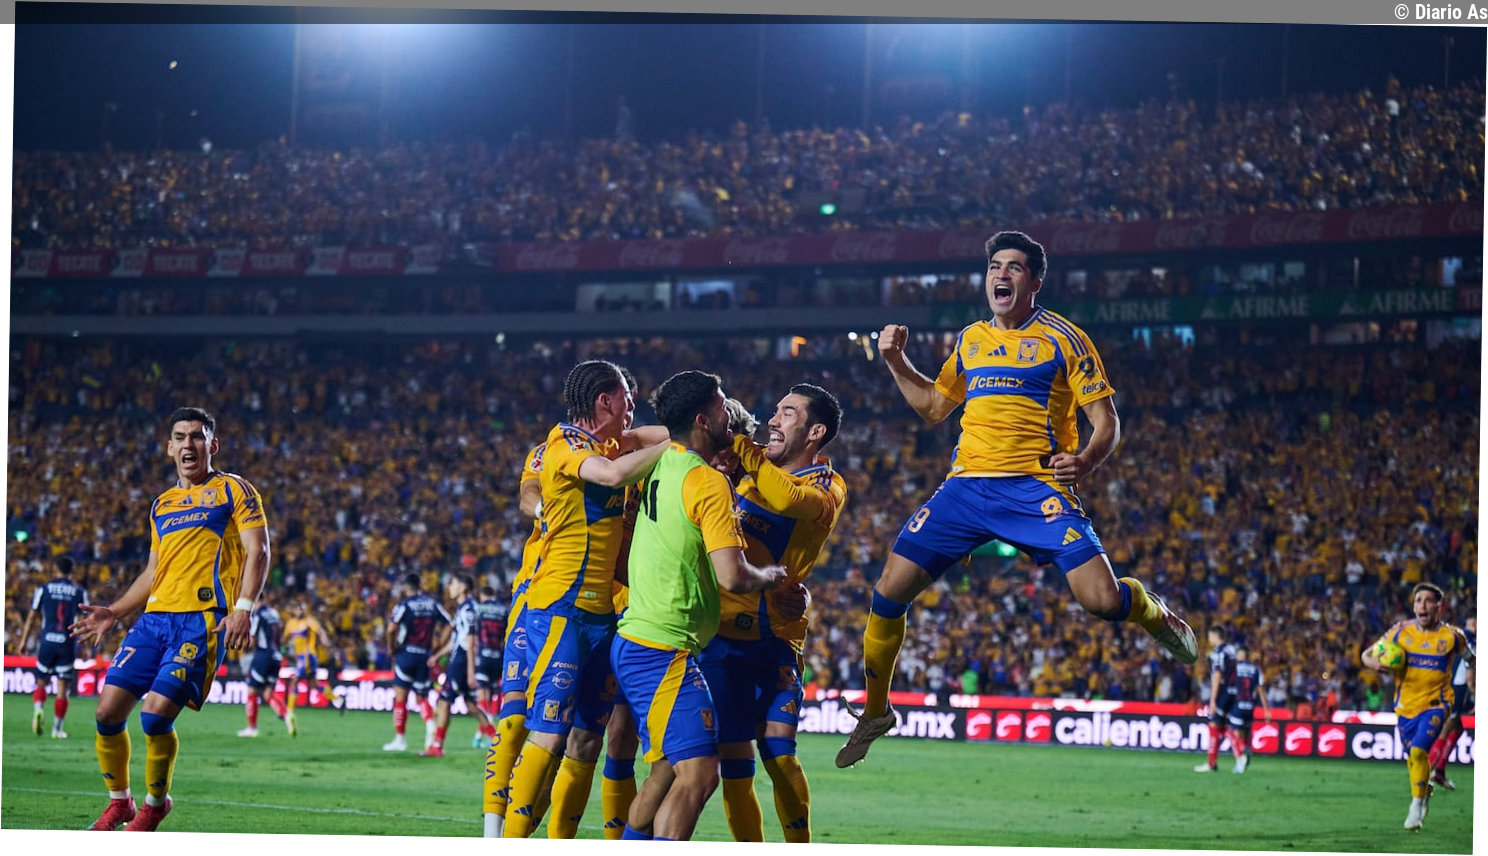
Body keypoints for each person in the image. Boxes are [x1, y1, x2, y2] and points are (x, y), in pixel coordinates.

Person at [836, 230, 1198, 769]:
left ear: (1035, 281)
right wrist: (895, 360)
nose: (1000, 275)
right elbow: (934, 406)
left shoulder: (1064, 338)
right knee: (888, 593)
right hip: (966, 487)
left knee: (1102, 602)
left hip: (1035, 488)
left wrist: (1087, 460)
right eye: (994, 267)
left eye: (1013, 267)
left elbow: (1106, 421)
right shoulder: (971, 338)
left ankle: (1150, 610)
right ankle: (876, 711)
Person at [71, 406, 270, 832]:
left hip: (200, 621)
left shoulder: (234, 490)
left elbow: (259, 550)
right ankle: (120, 803)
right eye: (180, 437)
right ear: (168, 447)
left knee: (155, 716)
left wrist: (243, 608)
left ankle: (154, 805)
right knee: (107, 713)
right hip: (154, 620)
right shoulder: (162, 504)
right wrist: (115, 611)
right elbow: (152, 572)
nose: (188, 444)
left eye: (197, 436)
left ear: (213, 445)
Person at [610, 370, 787, 842]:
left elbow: (654, 434)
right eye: (722, 405)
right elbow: (732, 575)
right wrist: (769, 575)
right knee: (701, 773)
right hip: (660, 649)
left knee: (667, 771)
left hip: (643, 640)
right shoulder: (707, 483)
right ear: (703, 420)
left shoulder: (663, 460)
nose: (730, 412)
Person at [501, 359, 669, 839]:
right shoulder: (567, 445)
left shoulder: (609, 444)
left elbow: (661, 435)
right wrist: (679, 445)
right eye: (627, 401)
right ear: (604, 401)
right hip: (561, 609)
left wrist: (677, 436)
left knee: (586, 743)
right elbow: (611, 476)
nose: (632, 410)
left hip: (603, 617)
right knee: (550, 733)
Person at [702, 385, 846, 843]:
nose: (773, 420)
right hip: (721, 636)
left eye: (788, 413)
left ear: (815, 432)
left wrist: (743, 448)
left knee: (780, 753)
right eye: (776, 410)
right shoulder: (746, 471)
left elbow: (787, 501)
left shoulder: (826, 485)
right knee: (734, 765)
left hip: (776, 638)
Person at [1361, 582, 1476, 831]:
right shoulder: (1400, 632)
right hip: (1405, 706)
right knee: (1413, 759)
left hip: (1437, 704)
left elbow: (1471, 659)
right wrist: (1375, 664)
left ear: (1439, 607)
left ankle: (1415, 808)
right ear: (1414, 607)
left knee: (1417, 751)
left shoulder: (1452, 636)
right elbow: (1366, 655)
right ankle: (1424, 791)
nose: (1422, 605)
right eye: (1418, 601)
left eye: (1428, 601)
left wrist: (1471, 677)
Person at [482, 441, 549, 837]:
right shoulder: (553, 447)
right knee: (513, 720)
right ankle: (493, 832)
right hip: (535, 592)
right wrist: (547, 512)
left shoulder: (633, 454)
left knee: (567, 739)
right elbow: (529, 493)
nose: (628, 414)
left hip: (607, 604)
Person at [421, 573, 496, 757]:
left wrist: (470, 671)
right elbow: (456, 640)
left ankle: (437, 745)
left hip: (462, 662)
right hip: (460, 659)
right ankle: (495, 739)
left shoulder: (469, 609)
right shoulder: (463, 608)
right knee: (470, 705)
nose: (450, 587)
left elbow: (470, 640)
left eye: (453, 583)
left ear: (463, 587)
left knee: (444, 701)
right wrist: (437, 655)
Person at [19, 555, 89, 739]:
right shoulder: (79, 592)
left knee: (41, 682)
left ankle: (38, 709)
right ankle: (57, 730)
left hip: (47, 642)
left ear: (55, 569)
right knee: (62, 689)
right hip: (66, 643)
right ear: (71, 571)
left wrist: (24, 640)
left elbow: (32, 616)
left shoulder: (43, 589)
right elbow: (85, 621)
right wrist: (85, 646)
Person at [383, 571, 452, 752]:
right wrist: (440, 645)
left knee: (401, 697)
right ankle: (430, 725)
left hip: (406, 653)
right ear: (419, 586)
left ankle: (400, 739)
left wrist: (391, 648)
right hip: (425, 655)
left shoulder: (404, 605)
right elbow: (450, 623)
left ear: (406, 587)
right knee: (421, 697)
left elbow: (391, 629)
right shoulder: (433, 604)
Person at [1427, 614, 1476, 791]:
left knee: (1457, 728)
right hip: (1458, 691)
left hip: (1449, 687)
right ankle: (1425, 774)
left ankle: (1439, 771)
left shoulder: (1457, 636)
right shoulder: (1471, 641)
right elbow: (1470, 675)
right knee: (1446, 729)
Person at [282, 597, 340, 736]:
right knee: (314, 685)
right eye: (298, 608)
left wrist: (325, 642)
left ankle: (290, 713)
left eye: (303, 608)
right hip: (299, 657)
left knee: (294, 682)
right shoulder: (290, 624)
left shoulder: (310, 621)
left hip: (308, 657)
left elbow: (321, 632)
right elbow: (284, 639)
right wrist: (284, 648)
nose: (301, 610)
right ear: (293, 610)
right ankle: (338, 700)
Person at [237, 593, 289, 738]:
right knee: (267, 692)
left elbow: (252, 640)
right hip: (276, 655)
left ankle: (252, 728)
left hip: (263, 655)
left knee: (252, 691)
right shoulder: (274, 613)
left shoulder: (258, 615)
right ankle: (286, 715)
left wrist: (242, 644)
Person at [470, 584, 510, 750]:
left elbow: (473, 635)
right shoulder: (504, 610)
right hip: (498, 658)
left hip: (483, 656)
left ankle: (491, 732)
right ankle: (479, 736)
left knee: (482, 698)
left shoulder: (478, 609)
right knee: (489, 699)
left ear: (482, 595)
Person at [1194, 625, 1239, 773]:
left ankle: (1216, 761)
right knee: (1223, 725)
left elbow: (1217, 675)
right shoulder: (1232, 649)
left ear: (1215, 636)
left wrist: (1212, 700)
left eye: (1209, 636)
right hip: (1235, 691)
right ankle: (1238, 754)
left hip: (1224, 692)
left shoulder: (1218, 652)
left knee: (1213, 724)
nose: (1209, 639)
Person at [1224, 644, 1271, 774]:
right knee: (1244, 732)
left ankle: (1242, 755)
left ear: (1240, 655)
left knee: (1232, 732)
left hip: (1238, 704)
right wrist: (1266, 710)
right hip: (1250, 706)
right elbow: (1261, 690)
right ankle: (1244, 754)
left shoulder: (1234, 668)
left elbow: (1227, 686)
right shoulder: (1256, 670)